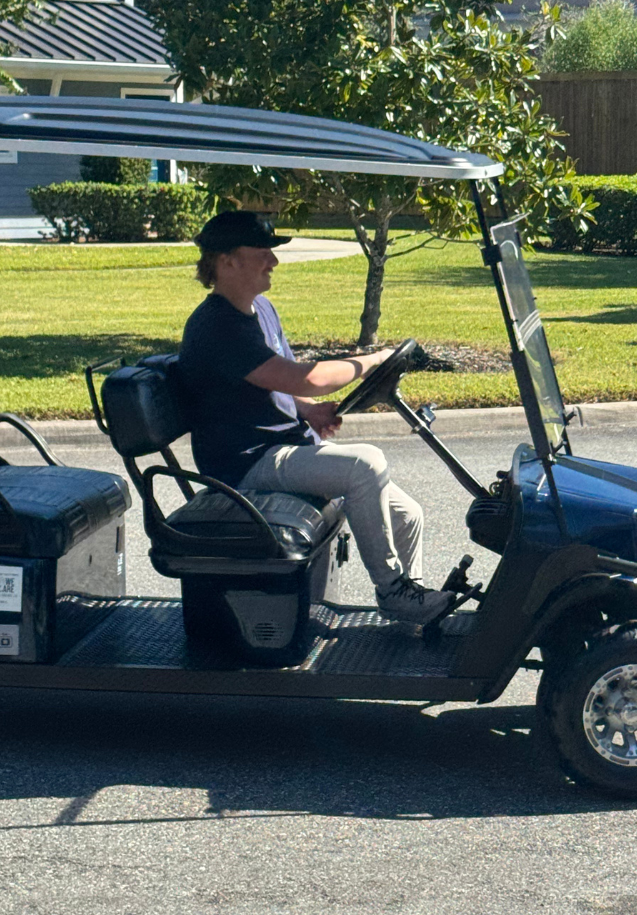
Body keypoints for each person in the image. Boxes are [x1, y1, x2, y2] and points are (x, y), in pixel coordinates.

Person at [176, 210, 455, 626]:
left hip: (280, 446)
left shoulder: (260, 309)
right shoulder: (217, 326)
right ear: (226, 260)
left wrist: (307, 412)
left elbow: (275, 382)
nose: (273, 261)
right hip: (245, 464)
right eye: (263, 252)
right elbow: (307, 378)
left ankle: (411, 605)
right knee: (365, 464)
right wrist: (375, 358)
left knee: (407, 513)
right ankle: (394, 592)